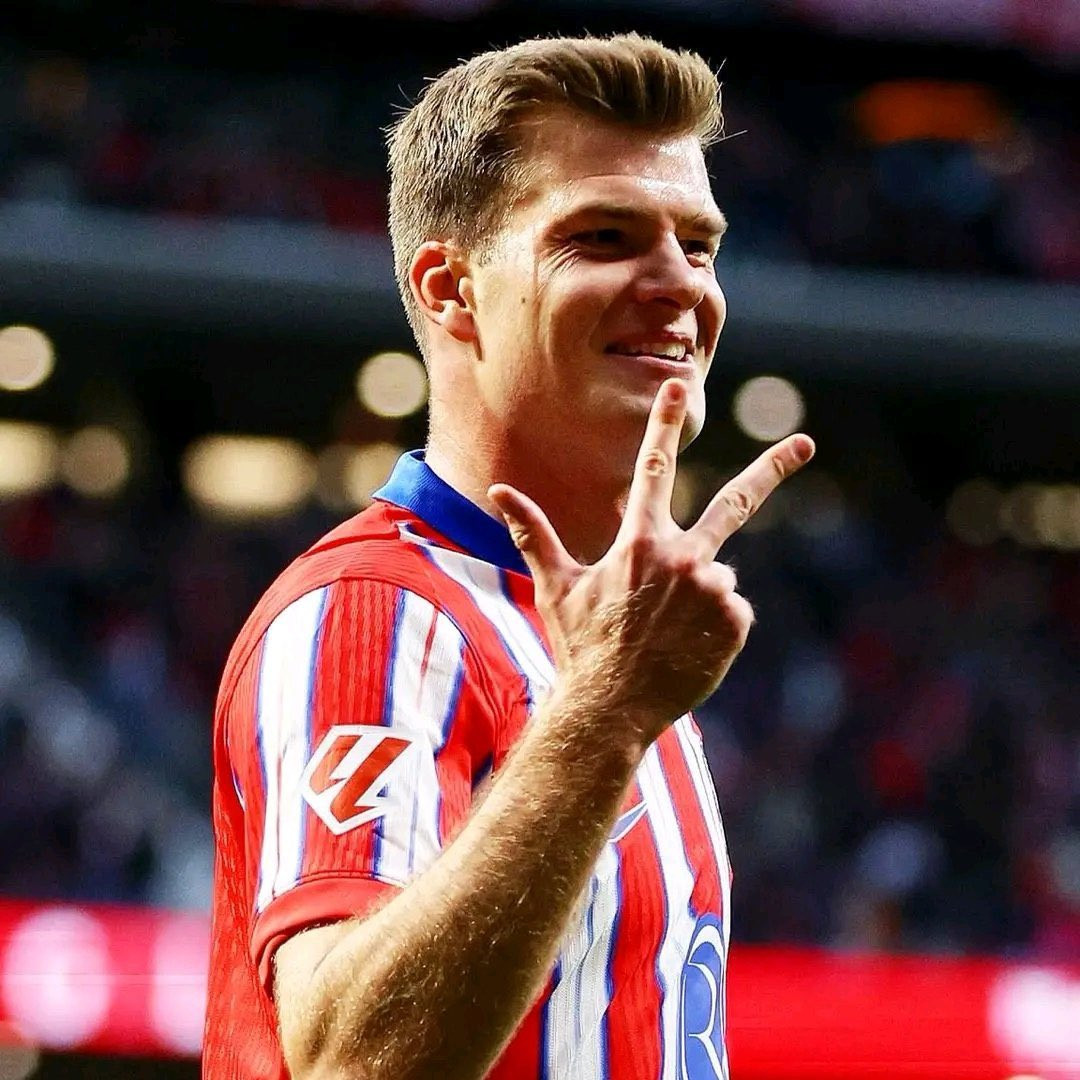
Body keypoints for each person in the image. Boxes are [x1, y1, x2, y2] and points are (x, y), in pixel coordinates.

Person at [203, 32, 813, 1080]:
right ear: (450, 289)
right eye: (605, 236)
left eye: (700, 246)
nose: (681, 284)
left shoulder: (615, 637)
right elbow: (349, 1062)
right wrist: (606, 711)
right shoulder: (378, 612)